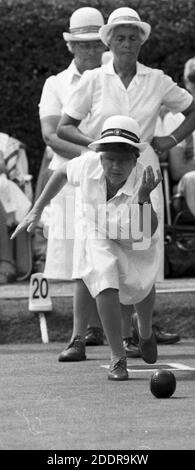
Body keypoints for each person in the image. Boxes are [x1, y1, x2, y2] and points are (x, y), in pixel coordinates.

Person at [57, 6, 195, 354]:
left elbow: (192, 109)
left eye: (134, 37)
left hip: (144, 172)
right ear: (109, 41)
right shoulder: (93, 80)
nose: (127, 43)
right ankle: (79, 338)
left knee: (140, 251)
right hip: (103, 171)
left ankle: (139, 333)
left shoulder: (158, 79)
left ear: (142, 41)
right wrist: (101, 147)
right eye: (120, 37)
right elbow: (63, 127)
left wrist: (172, 139)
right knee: (91, 251)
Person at [11, 115, 162, 380]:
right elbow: (59, 172)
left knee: (141, 282)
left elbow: (145, 232)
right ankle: (118, 357)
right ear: (100, 156)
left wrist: (143, 197)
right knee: (103, 275)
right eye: (109, 158)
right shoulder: (87, 164)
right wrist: (36, 210)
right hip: (97, 229)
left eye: (122, 160)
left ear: (135, 160)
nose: (115, 166)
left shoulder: (145, 179)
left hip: (134, 232)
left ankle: (146, 332)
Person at [161, 57, 195, 218]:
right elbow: (177, 170)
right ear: (186, 82)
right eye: (194, 79)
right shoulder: (175, 118)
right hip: (188, 187)